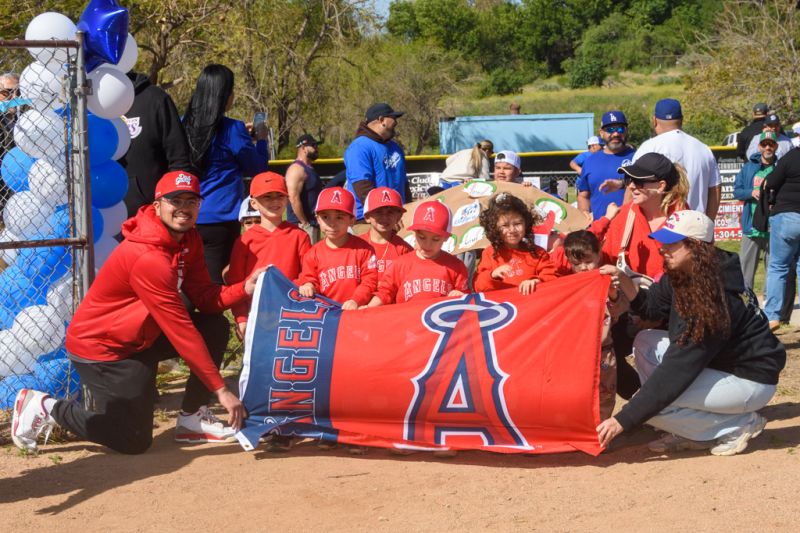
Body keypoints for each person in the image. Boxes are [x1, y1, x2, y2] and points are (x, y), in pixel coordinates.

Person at [11, 171, 266, 454]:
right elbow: (180, 330)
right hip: (104, 349)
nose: (184, 208)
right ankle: (45, 407)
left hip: (141, 336)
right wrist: (221, 389)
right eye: (175, 200)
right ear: (157, 206)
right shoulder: (148, 257)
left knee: (213, 327)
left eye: (191, 201)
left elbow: (205, 299)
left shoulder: (188, 239)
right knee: (133, 440)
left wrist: (244, 288)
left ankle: (193, 418)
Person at [597, 210, 785, 456]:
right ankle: (697, 425)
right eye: (662, 241)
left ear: (696, 246)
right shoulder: (690, 270)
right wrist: (624, 280)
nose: (662, 248)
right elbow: (651, 307)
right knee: (645, 341)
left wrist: (623, 420)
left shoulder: (712, 298)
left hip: (750, 380)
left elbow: (678, 369)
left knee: (652, 404)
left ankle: (737, 425)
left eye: (671, 243)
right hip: (723, 367)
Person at [601, 153, 689, 399]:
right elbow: (605, 262)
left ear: (660, 186)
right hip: (630, 307)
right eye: (629, 180)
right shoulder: (626, 216)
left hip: (673, 310)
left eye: (639, 182)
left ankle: (672, 402)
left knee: (675, 357)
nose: (631, 186)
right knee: (601, 349)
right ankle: (642, 400)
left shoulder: (683, 218)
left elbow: (691, 279)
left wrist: (653, 314)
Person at [183, 64, 269, 283]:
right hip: (220, 218)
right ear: (224, 95)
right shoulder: (232, 129)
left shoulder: (182, 125)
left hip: (185, 214)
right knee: (215, 285)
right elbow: (257, 169)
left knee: (187, 282)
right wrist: (261, 141)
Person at [227, 172, 311, 338]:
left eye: (279, 196)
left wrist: (299, 288)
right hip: (255, 314)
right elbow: (236, 284)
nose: (274, 201)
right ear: (254, 203)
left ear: (287, 199)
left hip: (291, 312)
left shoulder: (299, 236)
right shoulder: (244, 241)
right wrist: (242, 319)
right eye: (267, 197)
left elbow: (309, 274)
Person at [629, 99, 721, 219]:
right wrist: (709, 224)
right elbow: (715, 190)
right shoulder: (704, 149)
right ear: (681, 120)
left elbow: (632, 188)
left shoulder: (648, 147)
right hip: (696, 225)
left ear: (654, 120)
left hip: (659, 225)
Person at [368, 200, 468, 306]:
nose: (428, 244)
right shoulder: (400, 264)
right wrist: (368, 308)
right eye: (422, 237)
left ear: (446, 237)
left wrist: (460, 295)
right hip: (408, 316)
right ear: (414, 233)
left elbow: (467, 300)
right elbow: (385, 293)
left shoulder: (456, 266)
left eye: (435, 239)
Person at [121, 71, 192, 218]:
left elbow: (179, 159)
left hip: (148, 217)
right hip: (98, 216)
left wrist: (175, 206)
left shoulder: (155, 99)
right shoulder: (86, 102)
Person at [297, 187, 378, 310]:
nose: (332, 223)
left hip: (356, 311)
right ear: (318, 219)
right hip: (326, 314)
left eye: (339, 217)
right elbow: (310, 279)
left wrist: (356, 300)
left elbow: (370, 282)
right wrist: (309, 285)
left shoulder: (365, 250)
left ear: (352, 220)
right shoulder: (313, 253)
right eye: (325, 217)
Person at [473, 193, 557, 294]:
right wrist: (492, 275)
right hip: (502, 302)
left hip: (531, 302)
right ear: (494, 228)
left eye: (517, 224)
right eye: (505, 225)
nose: (512, 230)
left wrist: (536, 281)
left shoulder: (538, 253)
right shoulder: (489, 253)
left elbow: (552, 278)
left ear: (526, 224)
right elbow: (478, 286)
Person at [343, 102, 408, 221]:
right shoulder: (360, 147)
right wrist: (380, 216)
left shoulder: (395, 147)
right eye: (393, 118)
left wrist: (408, 208)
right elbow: (363, 186)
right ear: (381, 120)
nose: (396, 122)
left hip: (396, 216)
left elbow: (404, 184)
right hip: (368, 219)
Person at [763, 138, 800, 330]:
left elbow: (771, 181)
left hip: (787, 216)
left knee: (778, 267)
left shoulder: (791, 157)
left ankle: (772, 316)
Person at [733, 132, 777, 289]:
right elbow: (737, 191)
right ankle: (748, 301)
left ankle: (769, 300)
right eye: (764, 144)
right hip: (751, 227)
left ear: (776, 146)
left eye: (771, 144)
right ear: (759, 147)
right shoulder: (748, 167)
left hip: (773, 227)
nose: (767, 147)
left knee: (774, 270)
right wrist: (751, 192)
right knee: (746, 270)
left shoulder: (780, 167)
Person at [577, 111, 635, 221]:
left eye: (620, 129)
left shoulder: (637, 157)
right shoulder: (590, 161)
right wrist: (584, 212)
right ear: (602, 133)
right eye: (610, 129)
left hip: (629, 225)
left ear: (626, 131)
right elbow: (583, 195)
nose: (616, 134)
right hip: (598, 227)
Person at [359, 187, 413, 281]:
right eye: (378, 212)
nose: (384, 217)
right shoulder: (357, 246)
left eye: (390, 212)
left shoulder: (404, 249)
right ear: (367, 217)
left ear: (398, 217)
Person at [285, 134, 323, 244]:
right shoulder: (296, 169)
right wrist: (304, 223)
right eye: (313, 145)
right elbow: (293, 198)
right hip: (300, 225)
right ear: (303, 148)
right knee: (305, 255)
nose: (316, 148)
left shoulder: (309, 169)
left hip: (312, 223)